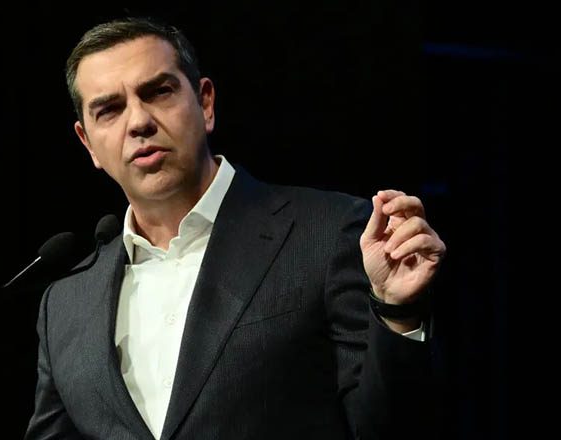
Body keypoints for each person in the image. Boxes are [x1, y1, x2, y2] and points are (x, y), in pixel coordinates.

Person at [25, 17, 446, 440]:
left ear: (205, 103)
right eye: (109, 110)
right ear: (88, 143)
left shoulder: (326, 233)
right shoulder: (65, 304)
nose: (138, 122)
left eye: (159, 92)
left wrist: (397, 314)